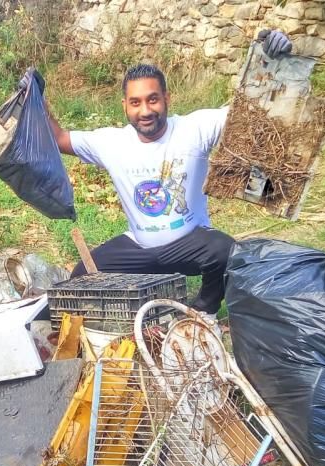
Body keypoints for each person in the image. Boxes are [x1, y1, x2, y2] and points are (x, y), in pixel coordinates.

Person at [47, 30, 293, 315]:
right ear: (125, 105)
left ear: (166, 98)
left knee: (225, 251)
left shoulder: (195, 128)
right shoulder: (110, 143)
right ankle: (129, 314)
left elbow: (248, 112)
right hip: (140, 246)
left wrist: (271, 63)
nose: (145, 111)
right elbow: (60, 138)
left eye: (153, 99)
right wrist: (35, 98)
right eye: (136, 102)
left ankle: (203, 312)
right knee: (80, 277)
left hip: (189, 244)